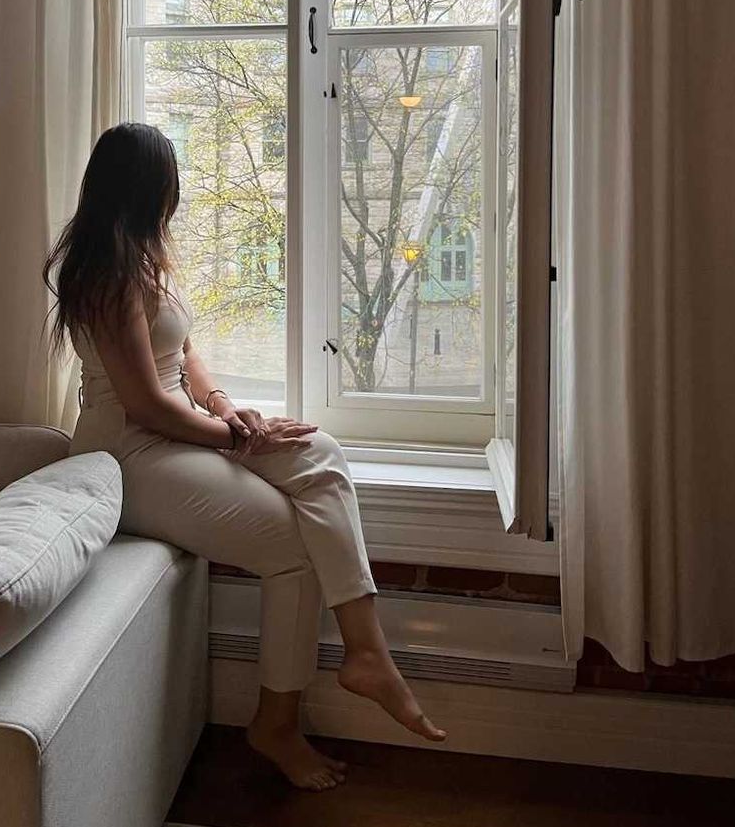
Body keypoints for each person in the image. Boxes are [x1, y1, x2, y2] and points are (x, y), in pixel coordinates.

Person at [44, 123, 446, 791]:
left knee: (319, 451)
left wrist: (228, 408)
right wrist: (234, 438)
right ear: (147, 189)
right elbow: (144, 404)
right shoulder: (103, 275)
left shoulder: (143, 257)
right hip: (128, 453)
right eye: (169, 183)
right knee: (293, 544)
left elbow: (186, 356)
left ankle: (366, 651)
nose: (174, 197)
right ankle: (277, 725)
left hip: (181, 427)